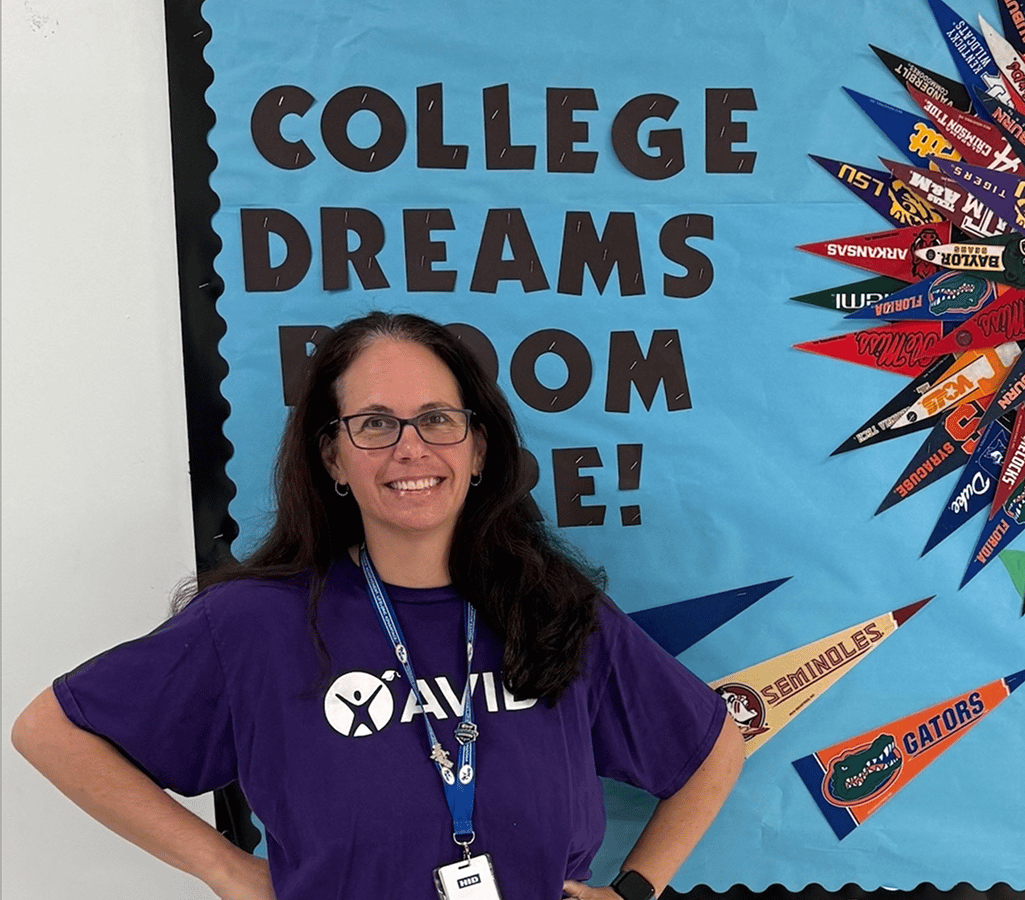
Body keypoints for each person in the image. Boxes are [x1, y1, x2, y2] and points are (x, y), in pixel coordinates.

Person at [11, 311, 744, 900]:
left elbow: (712, 745)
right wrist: (226, 868)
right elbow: (50, 731)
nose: (410, 448)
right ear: (332, 456)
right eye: (374, 424)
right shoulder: (256, 624)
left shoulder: (551, 608)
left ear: (478, 446)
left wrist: (636, 889)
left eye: (436, 419)